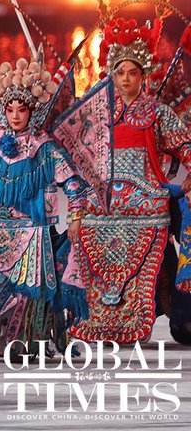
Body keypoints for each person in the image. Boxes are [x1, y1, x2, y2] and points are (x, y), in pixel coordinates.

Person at [54, 18, 191, 343]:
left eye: (132, 72)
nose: (126, 79)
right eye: (120, 73)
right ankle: (94, 320)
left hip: (145, 201)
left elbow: (186, 144)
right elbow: (71, 149)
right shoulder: (97, 113)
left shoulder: (155, 113)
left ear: (142, 75)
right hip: (101, 202)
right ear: (110, 75)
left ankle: (138, 318)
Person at [0, 58, 89, 361]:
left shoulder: (44, 145)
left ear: (32, 111)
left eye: (22, 109)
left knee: (25, 290)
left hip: (31, 231)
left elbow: (73, 184)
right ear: (3, 109)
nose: (15, 116)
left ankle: (19, 338)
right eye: (10, 109)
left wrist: (76, 216)